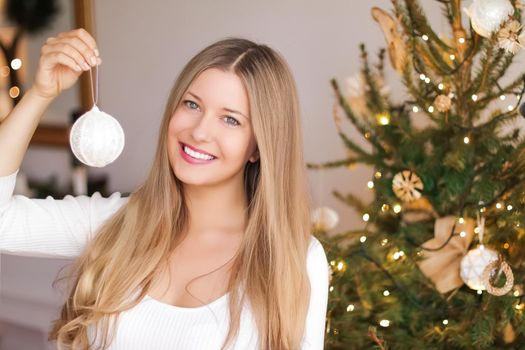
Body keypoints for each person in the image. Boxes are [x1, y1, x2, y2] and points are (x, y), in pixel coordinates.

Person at [0, 28, 329, 350]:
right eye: (192, 104)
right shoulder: (115, 224)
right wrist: (40, 94)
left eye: (230, 119)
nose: (199, 131)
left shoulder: (295, 259)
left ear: (259, 146)